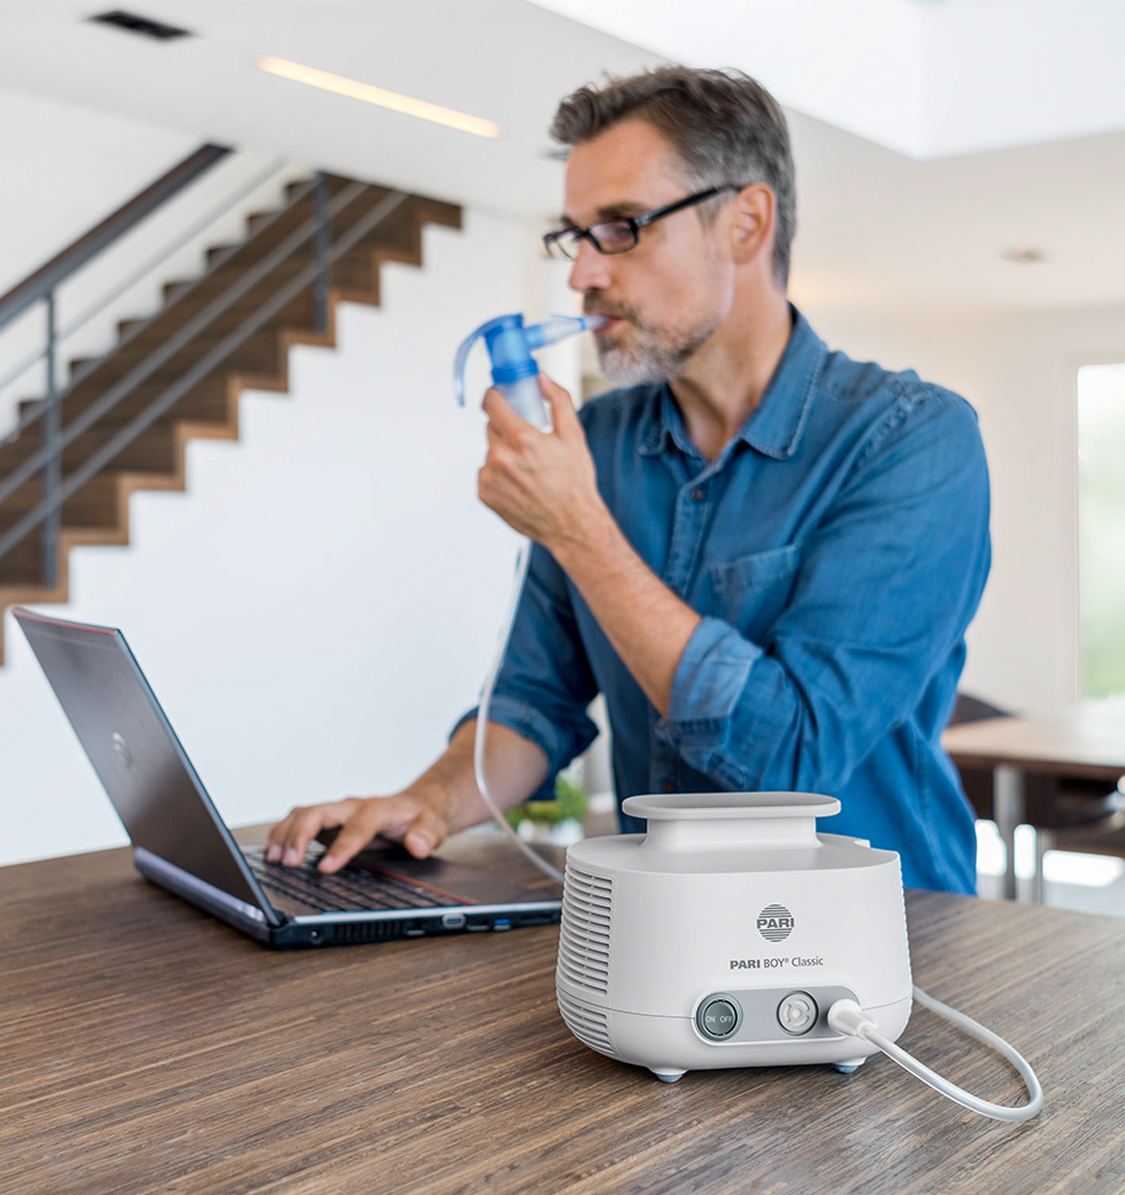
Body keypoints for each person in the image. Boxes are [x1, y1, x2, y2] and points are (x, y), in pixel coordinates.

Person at [265, 66, 991, 893]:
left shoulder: (912, 439)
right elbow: (535, 703)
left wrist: (578, 528)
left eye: (621, 227)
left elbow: (794, 760)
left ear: (746, 224)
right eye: (574, 234)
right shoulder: (600, 442)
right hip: (659, 927)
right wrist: (421, 803)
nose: (582, 274)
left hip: (888, 942)